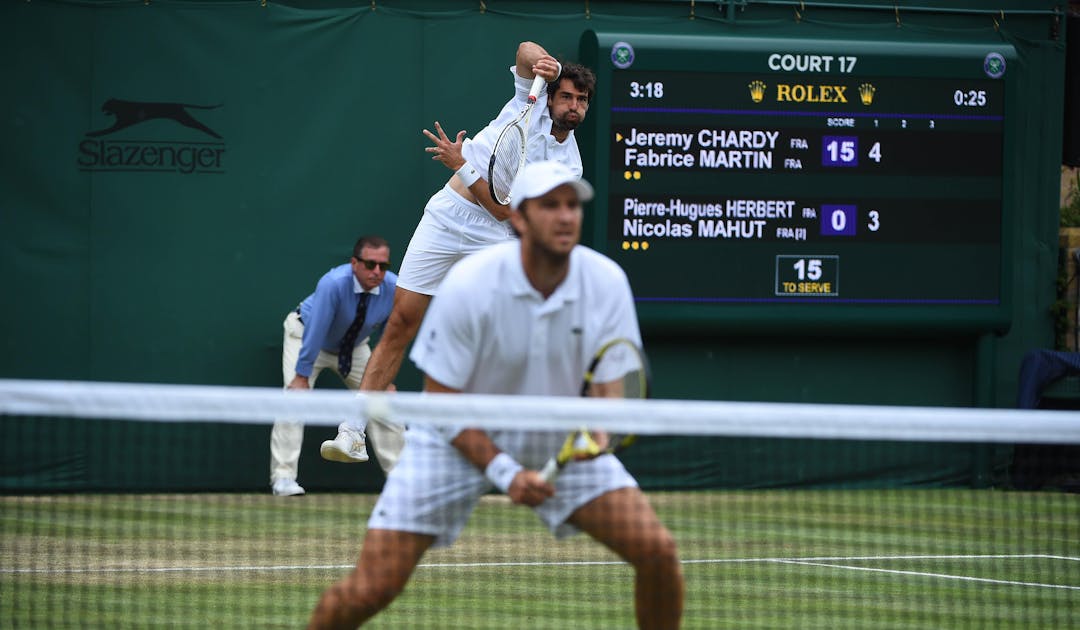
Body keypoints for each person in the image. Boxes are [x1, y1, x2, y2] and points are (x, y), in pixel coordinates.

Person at [307, 161, 684, 629]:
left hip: (559, 441)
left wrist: (599, 434)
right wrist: (507, 473)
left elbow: (617, 386)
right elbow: (443, 399)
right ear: (520, 219)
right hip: (451, 443)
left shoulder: (606, 282)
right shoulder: (472, 283)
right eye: (550, 206)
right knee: (371, 589)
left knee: (658, 553)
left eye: (572, 205)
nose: (566, 216)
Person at [320, 41, 596, 464]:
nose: (574, 106)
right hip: (448, 216)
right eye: (567, 96)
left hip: (498, 233)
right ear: (552, 96)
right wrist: (549, 64)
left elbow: (509, 215)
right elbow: (525, 50)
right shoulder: (529, 102)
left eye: (582, 100)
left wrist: (462, 165)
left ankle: (510, 439)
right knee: (401, 321)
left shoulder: (569, 168)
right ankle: (352, 431)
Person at [269, 235, 401, 496]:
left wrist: (385, 378)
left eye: (383, 266)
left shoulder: (393, 287)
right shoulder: (333, 284)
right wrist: (301, 375)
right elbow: (316, 331)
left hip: (354, 348)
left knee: (383, 406)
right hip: (306, 338)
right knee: (293, 401)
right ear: (354, 263)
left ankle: (402, 479)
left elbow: (391, 335)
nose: (377, 272)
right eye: (370, 264)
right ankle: (283, 479)